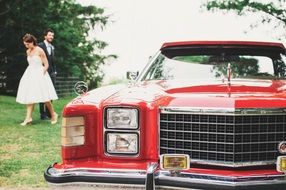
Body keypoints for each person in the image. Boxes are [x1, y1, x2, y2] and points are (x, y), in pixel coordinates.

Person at [16, 33, 58, 126]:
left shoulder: (40, 50)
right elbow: (30, 64)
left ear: (32, 42)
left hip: (40, 73)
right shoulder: (28, 51)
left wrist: (42, 73)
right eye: (25, 44)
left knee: (45, 98)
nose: (26, 46)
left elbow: (46, 64)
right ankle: (28, 118)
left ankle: (53, 114)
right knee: (30, 96)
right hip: (30, 74)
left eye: (28, 44)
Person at [38, 28, 56, 120]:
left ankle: (50, 113)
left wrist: (55, 71)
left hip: (52, 73)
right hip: (43, 72)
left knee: (51, 93)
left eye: (52, 35)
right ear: (45, 36)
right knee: (42, 93)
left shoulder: (52, 47)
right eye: (49, 35)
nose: (51, 37)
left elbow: (52, 61)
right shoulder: (40, 46)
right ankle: (42, 114)